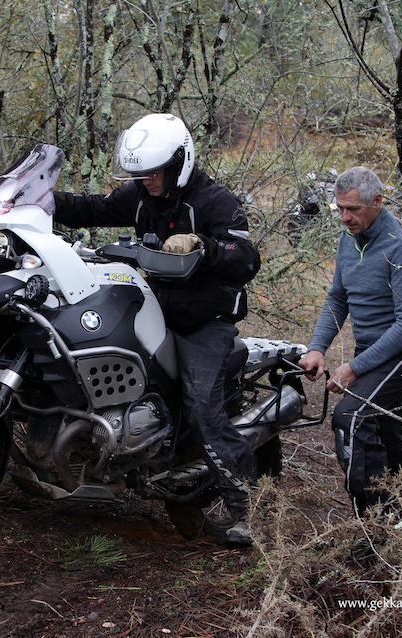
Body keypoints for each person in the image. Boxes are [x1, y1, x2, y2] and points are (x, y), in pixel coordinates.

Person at [53, 113, 261, 545]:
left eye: (152, 172)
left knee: (203, 406)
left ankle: (245, 506)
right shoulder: (143, 197)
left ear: (179, 161)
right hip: (155, 310)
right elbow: (94, 208)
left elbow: (245, 257)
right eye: (139, 174)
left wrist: (205, 246)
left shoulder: (213, 201)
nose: (144, 180)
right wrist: (41, 201)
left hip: (204, 323)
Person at [298, 166, 402, 517]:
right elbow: (338, 298)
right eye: (340, 208)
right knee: (386, 428)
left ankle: (372, 522)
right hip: (372, 348)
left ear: (378, 201)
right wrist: (318, 347)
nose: (345, 217)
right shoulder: (349, 238)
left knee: (353, 417)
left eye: (354, 209)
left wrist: (353, 368)